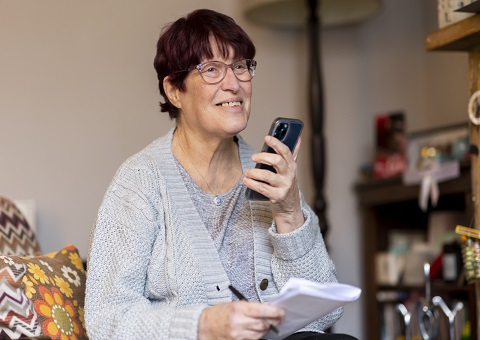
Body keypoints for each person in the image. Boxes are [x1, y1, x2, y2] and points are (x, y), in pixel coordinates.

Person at [85, 8, 355, 340]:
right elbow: (107, 319)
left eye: (240, 66)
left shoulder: (269, 175)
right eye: (212, 70)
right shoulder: (139, 183)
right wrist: (203, 326)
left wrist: (289, 212)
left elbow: (326, 312)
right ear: (174, 90)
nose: (234, 84)